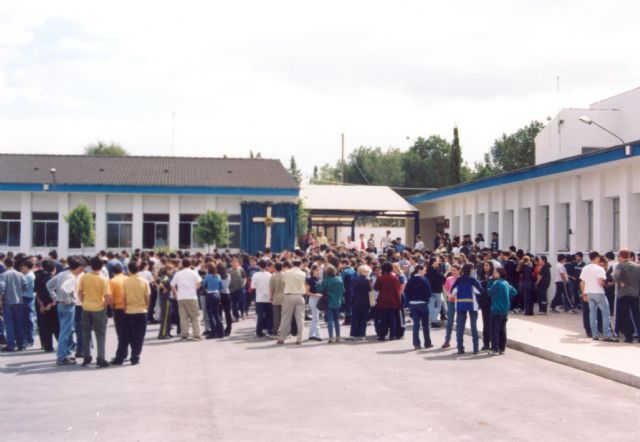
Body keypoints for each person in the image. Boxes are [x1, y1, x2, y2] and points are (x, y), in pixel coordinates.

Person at [112, 261, 150, 365]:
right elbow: (147, 297)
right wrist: (146, 307)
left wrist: (124, 308)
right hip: (141, 311)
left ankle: (120, 357)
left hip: (129, 311)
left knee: (125, 336)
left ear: (129, 270)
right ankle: (135, 357)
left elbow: (124, 298)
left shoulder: (126, 282)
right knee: (139, 336)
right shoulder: (144, 281)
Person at [78, 256, 112, 367]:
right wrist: (105, 306)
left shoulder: (84, 277)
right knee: (100, 334)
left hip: (86, 307)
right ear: (102, 266)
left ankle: (87, 357)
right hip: (99, 308)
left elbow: (80, 292)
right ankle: (100, 358)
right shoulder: (103, 279)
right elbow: (107, 297)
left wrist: (84, 302)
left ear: (90, 266)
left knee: (85, 333)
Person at [580, 252, 617, 342]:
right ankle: (606, 335)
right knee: (606, 313)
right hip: (599, 293)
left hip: (589, 293)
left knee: (592, 313)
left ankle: (594, 334)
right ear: (596, 258)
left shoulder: (585, 268)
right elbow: (600, 282)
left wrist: (584, 294)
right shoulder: (599, 269)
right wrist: (605, 284)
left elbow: (582, 282)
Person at [451, 263, 483, 354]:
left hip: (460, 305)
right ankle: (475, 348)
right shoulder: (473, 280)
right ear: (471, 270)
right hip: (473, 305)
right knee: (473, 326)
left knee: (460, 327)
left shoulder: (458, 280)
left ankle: (460, 348)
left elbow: (452, 291)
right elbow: (480, 291)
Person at [486, 267, 517, 355]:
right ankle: (501, 348)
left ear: (500, 273)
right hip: (505, 309)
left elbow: (489, 292)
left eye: (495, 272)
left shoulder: (497, 283)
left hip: (496, 308)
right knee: (502, 329)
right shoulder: (506, 283)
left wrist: (489, 282)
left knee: (494, 329)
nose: (494, 274)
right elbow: (514, 292)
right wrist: (505, 297)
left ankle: (494, 349)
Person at [171, 258, 203, 341]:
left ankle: (184, 335)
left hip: (181, 297)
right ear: (190, 264)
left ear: (182, 264)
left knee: (183, 317)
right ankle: (196, 334)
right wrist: (194, 288)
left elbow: (172, 285)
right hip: (192, 296)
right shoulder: (193, 272)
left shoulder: (178, 273)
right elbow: (199, 283)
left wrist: (176, 293)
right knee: (195, 316)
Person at [0, 257, 28, 352]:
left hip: (8, 302)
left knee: (9, 324)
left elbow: (1, 289)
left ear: (5, 264)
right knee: (19, 323)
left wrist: (1, 300)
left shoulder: (3, 275)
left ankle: (11, 345)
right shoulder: (20, 274)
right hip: (19, 301)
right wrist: (19, 292)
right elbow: (25, 286)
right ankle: (21, 344)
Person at [613, 249, 640, 343]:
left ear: (621, 256)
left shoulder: (620, 265)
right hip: (635, 294)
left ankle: (629, 336)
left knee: (625, 315)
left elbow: (615, 277)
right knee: (637, 315)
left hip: (623, 294)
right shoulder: (637, 266)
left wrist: (620, 282)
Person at [277, 260, 307, 345]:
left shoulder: (287, 272)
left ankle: (282, 338)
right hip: (300, 296)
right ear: (300, 264)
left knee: (286, 317)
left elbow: (284, 281)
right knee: (300, 318)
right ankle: (299, 339)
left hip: (289, 295)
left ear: (292, 264)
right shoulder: (303, 273)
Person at [404, 264, 433, 350]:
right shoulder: (424, 280)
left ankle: (416, 344)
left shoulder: (410, 280)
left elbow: (406, 292)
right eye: (424, 270)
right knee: (425, 324)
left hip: (413, 304)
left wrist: (408, 303)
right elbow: (429, 293)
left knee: (416, 324)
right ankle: (427, 343)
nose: (425, 271)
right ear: (419, 270)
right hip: (422, 303)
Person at [373, 262, 401, 341]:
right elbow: (397, 290)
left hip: (382, 300)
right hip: (393, 300)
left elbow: (376, 288)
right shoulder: (395, 278)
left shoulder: (380, 278)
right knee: (392, 319)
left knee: (383, 319)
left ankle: (382, 335)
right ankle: (392, 335)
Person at [316, 264, 344, 343]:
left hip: (328, 302)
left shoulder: (326, 281)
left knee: (330, 321)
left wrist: (318, 284)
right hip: (338, 301)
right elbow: (343, 290)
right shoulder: (339, 279)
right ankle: (338, 336)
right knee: (336, 320)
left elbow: (320, 290)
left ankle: (331, 337)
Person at [35, 260, 59, 352]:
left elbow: (37, 292)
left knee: (44, 326)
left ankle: (47, 346)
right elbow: (56, 293)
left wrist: (41, 305)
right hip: (53, 304)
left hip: (41, 304)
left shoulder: (38, 277)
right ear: (54, 269)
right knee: (56, 326)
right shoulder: (55, 279)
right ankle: (62, 345)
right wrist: (50, 304)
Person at [109, 263, 129, 364]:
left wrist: (112, 306)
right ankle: (125, 353)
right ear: (122, 270)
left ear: (112, 272)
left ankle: (121, 354)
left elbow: (110, 297)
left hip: (118, 308)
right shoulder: (127, 279)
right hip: (129, 308)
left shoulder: (112, 281)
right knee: (128, 332)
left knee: (120, 333)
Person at [251, 259, 273, 338]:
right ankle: (270, 330)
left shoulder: (255, 275)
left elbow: (253, 286)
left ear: (259, 266)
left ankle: (258, 331)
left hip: (259, 298)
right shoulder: (270, 275)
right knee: (269, 315)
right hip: (269, 298)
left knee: (260, 316)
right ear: (266, 266)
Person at [350, 265, 371, 341]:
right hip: (366, 301)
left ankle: (353, 334)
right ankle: (362, 334)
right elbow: (370, 292)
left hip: (356, 301)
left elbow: (352, 292)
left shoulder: (354, 280)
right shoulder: (368, 280)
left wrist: (351, 301)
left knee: (355, 318)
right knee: (363, 319)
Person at [442, 264, 460, 348]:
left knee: (459, 322)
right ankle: (447, 340)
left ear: (459, 270)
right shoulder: (449, 279)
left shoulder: (461, 279)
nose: (453, 272)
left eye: (455, 270)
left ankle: (459, 341)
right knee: (450, 322)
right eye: (452, 270)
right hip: (451, 302)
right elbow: (445, 288)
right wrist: (448, 295)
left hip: (460, 302)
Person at [19, 259, 36, 348]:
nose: (22, 268)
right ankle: (28, 339)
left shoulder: (29, 276)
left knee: (28, 320)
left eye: (23, 266)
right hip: (27, 298)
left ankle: (29, 339)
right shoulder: (29, 275)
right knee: (27, 319)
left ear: (26, 266)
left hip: (27, 298)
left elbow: (23, 288)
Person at [426, 257, 446, 329]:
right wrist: (445, 273)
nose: (438, 262)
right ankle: (433, 320)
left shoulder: (428, 270)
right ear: (434, 262)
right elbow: (443, 278)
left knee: (431, 305)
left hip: (430, 290)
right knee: (439, 305)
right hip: (437, 290)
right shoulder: (434, 270)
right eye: (437, 261)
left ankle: (432, 319)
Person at [305, 264, 322, 341]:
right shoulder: (310, 279)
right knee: (316, 318)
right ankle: (318, 335)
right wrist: (315, 295)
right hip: (313, 299)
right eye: (317, 270)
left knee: (315, 317)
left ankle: (311, 334)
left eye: (319, 270)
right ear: (313, 271)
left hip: (318, 299)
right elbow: (306, 292)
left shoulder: (318, 279)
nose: (319, 271)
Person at [270, 262, 287, 337]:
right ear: (282, 267)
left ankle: (274, 331)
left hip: (276, 298)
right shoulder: (285, 275)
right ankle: (284, 331)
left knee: (276, 316)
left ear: (275, 268)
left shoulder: (273, 277)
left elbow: (271, 289)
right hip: (285, 298)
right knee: (284, 316)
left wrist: (271, 297)